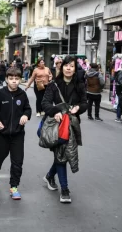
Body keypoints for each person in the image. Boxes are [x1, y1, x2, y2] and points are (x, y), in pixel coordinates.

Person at [41, 55, 88, 203]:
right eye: (66, 65)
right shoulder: (54, 84)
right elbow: (45, 103)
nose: (68, 68)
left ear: (75, 69)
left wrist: (78, 108)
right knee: (62, 155)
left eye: (72, 66)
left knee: (63, 154)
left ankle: (49, 176)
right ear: (61, 67)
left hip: (72, 125)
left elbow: (85, 103)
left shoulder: (80, 85)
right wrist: (55, 112)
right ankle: (65, 189)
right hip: (57, 125)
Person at [0, 67, 32, 200]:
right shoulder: (1, 94)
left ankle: (14, 187)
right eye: (11, 79)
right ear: (6, 79)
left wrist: (26, 115)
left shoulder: (22, 95)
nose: (14, 81)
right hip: (2, 134)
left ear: (20, 80)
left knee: (17, 161)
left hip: (18, 134)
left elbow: (28, 109)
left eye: (16, 79)